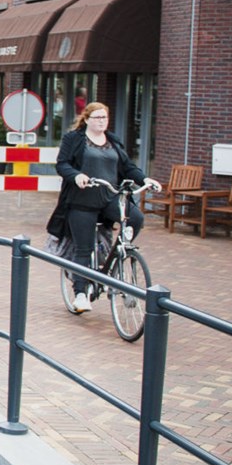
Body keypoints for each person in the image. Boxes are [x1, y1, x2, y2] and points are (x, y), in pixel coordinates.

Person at [47, 102, 161, 315]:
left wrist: (145, 178)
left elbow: (127, 167)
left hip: (109, 197)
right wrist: (76, 175)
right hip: (81, 200)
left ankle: (116, 258)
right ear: (87, 119)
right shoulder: (74, 139)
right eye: (97, 117)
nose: (102, 121)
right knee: (84, 247)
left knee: (135, 218)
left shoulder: (113, 141)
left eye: (105, 118)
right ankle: (80, 293)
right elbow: (62, 164)